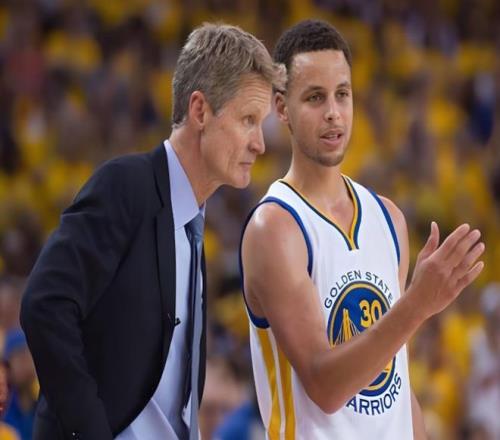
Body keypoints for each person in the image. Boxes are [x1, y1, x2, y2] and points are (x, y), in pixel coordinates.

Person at [20, 23, 284, 440]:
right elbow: (44, 305)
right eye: (248, 120)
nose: (259, 143)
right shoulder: (126, 187)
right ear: (200, 111)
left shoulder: (193, 226)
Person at [240, 20, 485, 439]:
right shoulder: (275, 228)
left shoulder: (388, 218)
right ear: (280, 108)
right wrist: (418, 304)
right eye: (315, 97)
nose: (333, 112)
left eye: (342, 94)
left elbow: (397, 384)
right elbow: (325, 386)